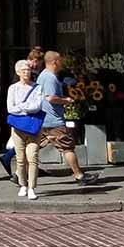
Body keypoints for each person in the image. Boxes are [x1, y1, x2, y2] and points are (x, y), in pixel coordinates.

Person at [38, 50, 98, 186]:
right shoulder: (50, 77)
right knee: (67, 147)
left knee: (34, 146)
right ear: (55, 62)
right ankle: (79, 175)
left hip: (43, 118)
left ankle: (19, 174)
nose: (62, 63)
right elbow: (51, 97)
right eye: (60, 60)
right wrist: (66, 100)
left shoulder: (42, 76)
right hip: (53, 120)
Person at [7, 59, 46, 200]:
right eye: (23, 70)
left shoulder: (37, 87)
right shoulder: (13, 88)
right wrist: (27, 109)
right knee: (21, 159)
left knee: (33, 157)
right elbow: (10, 108)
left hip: (33, 128)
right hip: (18, 129)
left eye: (28, 70)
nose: (26, 72)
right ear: (18, 72)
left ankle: (32, 187)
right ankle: (23, 184)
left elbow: (37, 106)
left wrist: (21, 108)